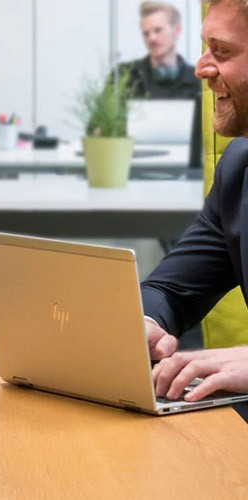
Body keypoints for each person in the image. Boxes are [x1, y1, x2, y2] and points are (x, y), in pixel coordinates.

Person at [140, 0, 248, 404]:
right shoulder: (238, 170)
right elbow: (172, 289)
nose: (201, 68)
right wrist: (142, 323)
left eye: (220, 51)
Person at [115, 1, 199, 100]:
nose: (152, 38)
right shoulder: (124, 76)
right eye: (146, 33)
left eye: (158, 30)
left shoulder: (197, 80)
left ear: (177, 30)